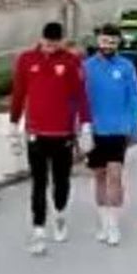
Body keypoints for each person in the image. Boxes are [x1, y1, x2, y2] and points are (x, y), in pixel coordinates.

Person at [8, 21, 91, 255]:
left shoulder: (71, 61)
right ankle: (38, 230)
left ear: (61, 41)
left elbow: (80, 95)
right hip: (36, 131)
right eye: (47, 44)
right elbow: (18, 93)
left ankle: (60, 214)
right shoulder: (26, 60)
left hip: (62, 132)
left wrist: (85, 125)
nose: (50, 48)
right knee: (39, 182)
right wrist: (13, 124)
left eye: (55, 44)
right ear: (41, 39)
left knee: (61, 180)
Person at [83, 24, 137, 247]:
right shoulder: (87, 67)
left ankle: (114, 224)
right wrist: (80, 127)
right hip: (96, 129)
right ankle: (104, 221)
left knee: (115, 175)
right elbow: (78, 99)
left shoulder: (126, 67)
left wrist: (134, 127)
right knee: (99, 176)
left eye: (113, 42)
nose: (108, 46)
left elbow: (133, 97)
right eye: (105, 42)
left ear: (119, 44)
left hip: (118, 129)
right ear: (98, 41)